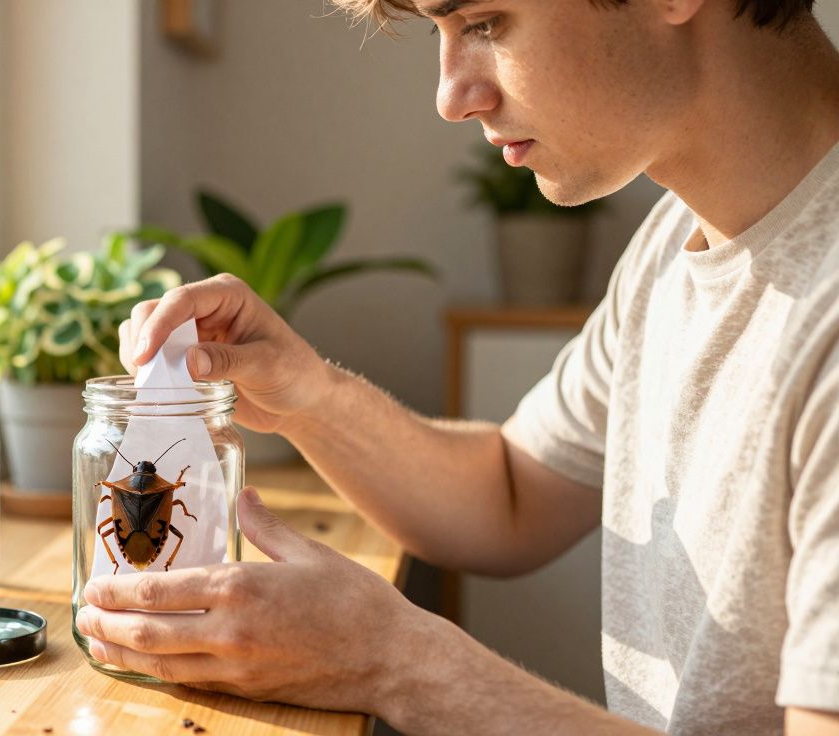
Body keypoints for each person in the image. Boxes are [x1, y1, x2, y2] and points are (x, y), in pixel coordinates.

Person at [74, 0, 839, 733]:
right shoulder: (677, 241)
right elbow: (510, 494)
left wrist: (395, 663)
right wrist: (304, 397)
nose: (451, 96)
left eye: (484, 23)